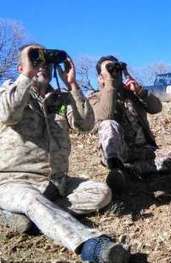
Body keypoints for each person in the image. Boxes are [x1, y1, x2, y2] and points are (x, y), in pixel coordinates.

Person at [0, 44, 130, 263]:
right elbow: (8, 113)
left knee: (101, 192)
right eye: (36, 59)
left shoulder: (59, 98)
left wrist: (72, 85)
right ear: (22, 65)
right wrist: (27, 74)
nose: (43, 66)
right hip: (15, 182)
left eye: (46, 62)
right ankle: (91, 246)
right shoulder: (8, 91)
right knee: (31, 199)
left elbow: (86, 124)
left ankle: (30, 217)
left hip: (57, 183)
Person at [89, 56, 171, 194]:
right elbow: (105, 115)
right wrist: (109, 83)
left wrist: (139, 91)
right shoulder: (95, 97)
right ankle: (117, 167)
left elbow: (157, 108)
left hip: (144, 151)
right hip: (119, 152)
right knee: (108, 124)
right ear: (100, 77)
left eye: (117, 69)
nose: (115, 73)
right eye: (109, 70)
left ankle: (130, 170)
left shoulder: (132, 94)